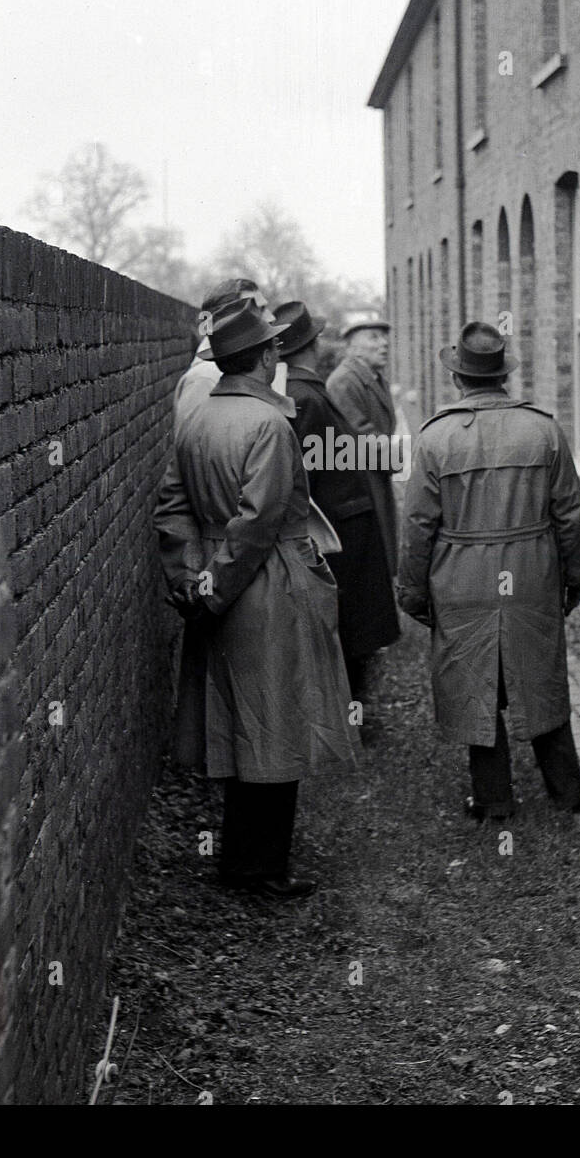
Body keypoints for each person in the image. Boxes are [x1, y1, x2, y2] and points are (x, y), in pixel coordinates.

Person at [155, 299, 359, 898]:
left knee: (241, 720)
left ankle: (245, 862)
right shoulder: (269, 425)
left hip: (221, 585)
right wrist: (213, 588)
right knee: (278, 723)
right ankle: (261, 870)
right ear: (268, 357)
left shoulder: (197, 421)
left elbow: (172, 509)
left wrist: (191, 579)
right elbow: (258, 523)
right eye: (275, 347)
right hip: (266, 584)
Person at [397, 322, 580, 821]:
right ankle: (568, 794)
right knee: (540, 674)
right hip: (532, 571)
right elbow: (570, 514)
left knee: (474, 680)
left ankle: (493, 798)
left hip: (462, 575)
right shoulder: (543, 429)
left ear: (458, 378)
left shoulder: (436, 438)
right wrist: (575, 577)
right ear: (503, 375)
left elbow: (418, 526)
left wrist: (413, 592)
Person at [274, 301, 401, 717]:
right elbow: (311, 473)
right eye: (371, 336)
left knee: (353, 630)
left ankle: (352, 714)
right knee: (348, 629)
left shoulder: (308, 390)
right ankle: (348, 718)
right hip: (338, 527)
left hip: (346, 519)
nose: (381, 342)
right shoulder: (309, 395)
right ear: (313, 343)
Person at [327, 312, 399, 578]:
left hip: (374, 477)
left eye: (384, 337)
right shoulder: (344, 380)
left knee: (379, 555)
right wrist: (398, 455)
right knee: (369, 561)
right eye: (374, 337)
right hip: (360, 483)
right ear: (353, 346)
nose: (384, 344)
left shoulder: (373, 377)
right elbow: (359, 434)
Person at [174, 278, 288, 424]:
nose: (271, 317)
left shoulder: (245, 363)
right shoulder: (203, 378)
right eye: (259, 309)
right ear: (229, 317)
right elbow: (195, 441)